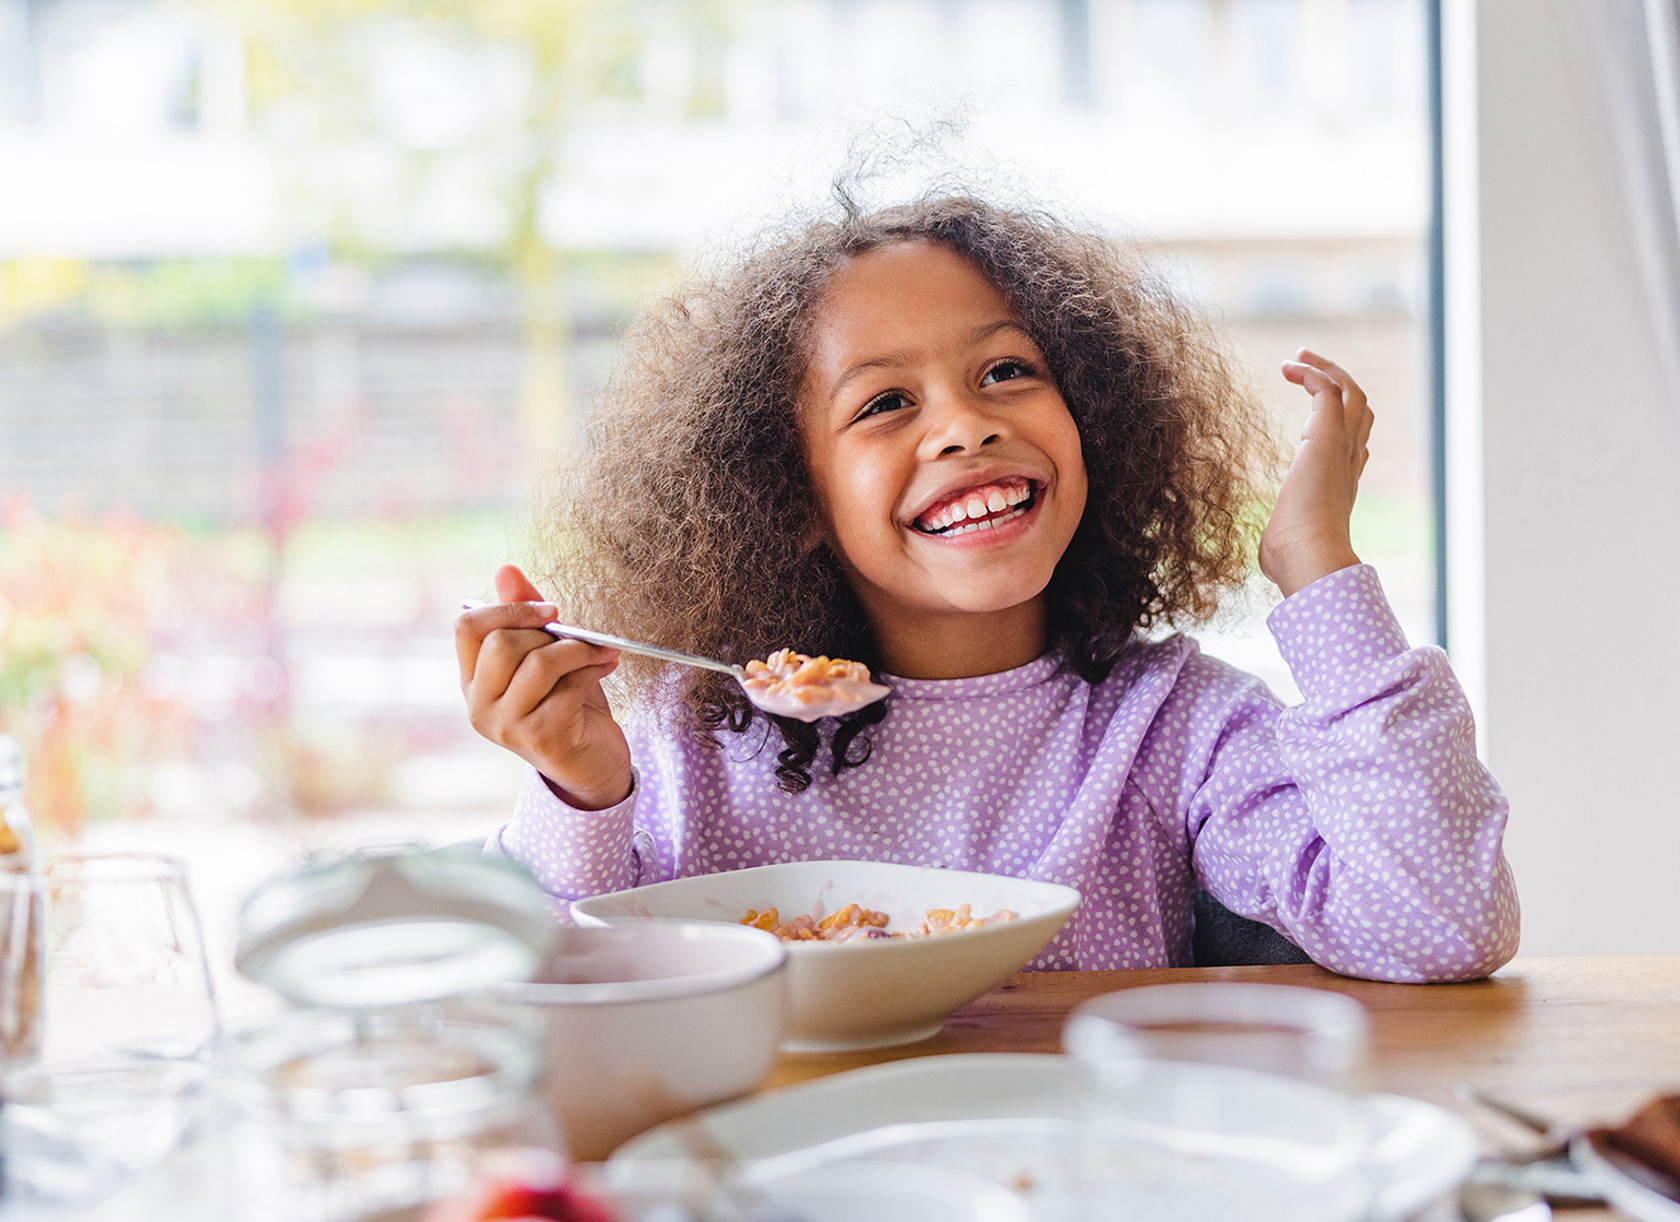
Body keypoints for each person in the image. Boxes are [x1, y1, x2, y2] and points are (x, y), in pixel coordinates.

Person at [455, 195, 1518, 982]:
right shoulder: (683, 740)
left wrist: (1315, 565)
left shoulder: (1170, 729)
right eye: (882, 405)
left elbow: (1437, 920)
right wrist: (580, 789)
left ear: (1095, 419)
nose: (964, 424)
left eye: (1006, 370)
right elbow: (554, 987)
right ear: (788, 499)